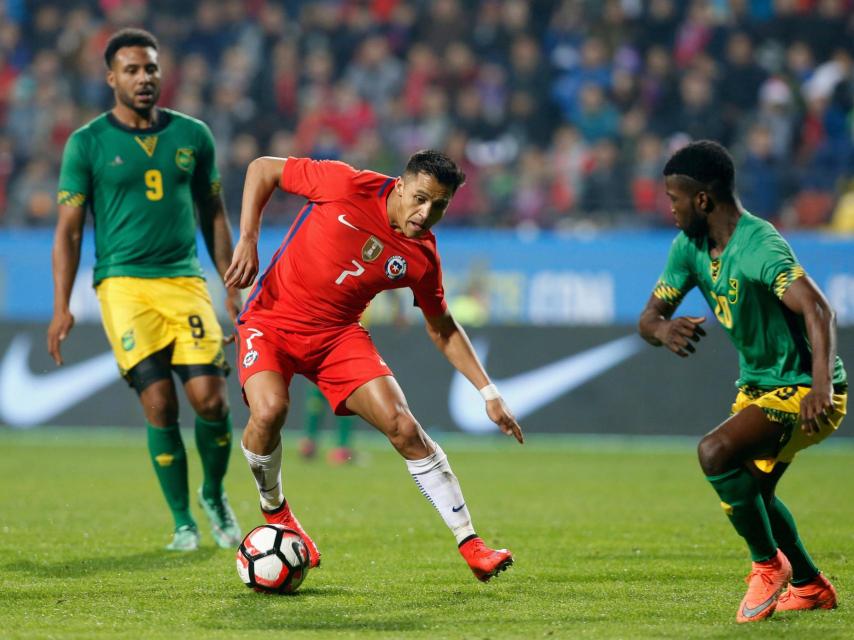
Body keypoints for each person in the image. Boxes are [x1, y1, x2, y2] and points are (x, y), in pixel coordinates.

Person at [224, 149, 524, 581]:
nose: (425, 213)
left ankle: (472, 545)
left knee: (403, 426)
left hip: (337, 336)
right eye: (420, 198)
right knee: (270, 410)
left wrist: (489, 393)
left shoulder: (422, 256)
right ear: (400, 186)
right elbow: (262, 169)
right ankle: (276, 511)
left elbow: (442, 327)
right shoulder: (345, 184)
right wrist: (248, 238)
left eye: (439, 206)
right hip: (270, 322)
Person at [49, 29, 243, 552]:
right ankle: (183, 522)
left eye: (150, 68)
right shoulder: (88, 143)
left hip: (185, 280)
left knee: (211, 400)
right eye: (131, 70)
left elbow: (214, 212)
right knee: (159, 404)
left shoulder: (193, 135)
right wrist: (61, 306)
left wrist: (231, 283)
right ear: (111, 78)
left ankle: (213, 493)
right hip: (123, 285)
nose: (143, 78)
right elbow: (68, 232)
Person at [638, 140, 847, 623]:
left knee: (714, 453)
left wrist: (820, 386)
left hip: (807, 389)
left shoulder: (759, 245)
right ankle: (810, 586)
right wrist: (663, 329)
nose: (670, 209)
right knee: (756, 495)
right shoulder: (689, 248)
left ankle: (768, 565)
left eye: (674, 199)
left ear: (702, 200)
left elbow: (818, 309)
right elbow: (648, 318)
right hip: (758, 388)